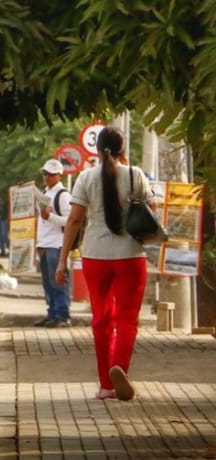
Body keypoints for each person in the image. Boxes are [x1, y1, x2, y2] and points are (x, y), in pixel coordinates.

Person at [55, 127, 156, 401]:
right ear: (123, 150)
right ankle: (119, 368)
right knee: (127, 318)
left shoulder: (85, 178)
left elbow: (74, 220)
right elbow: (151, 214)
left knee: (101, 318)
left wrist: (62, 260)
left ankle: (106, 385)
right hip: (131, 255)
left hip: (95, 256)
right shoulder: (136, 176)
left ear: (98, 151)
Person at [35, 159, 72, 327]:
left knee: (58, 280)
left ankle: (62, 314)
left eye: (50, 174)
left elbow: (70, 221)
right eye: (45, 174)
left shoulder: (63, 195)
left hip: (56, 244)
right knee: (47, 281)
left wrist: (50, 217)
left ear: (59, 175)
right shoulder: (45, 193)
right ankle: (52, 313)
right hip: (44, 243)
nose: (47, 177)